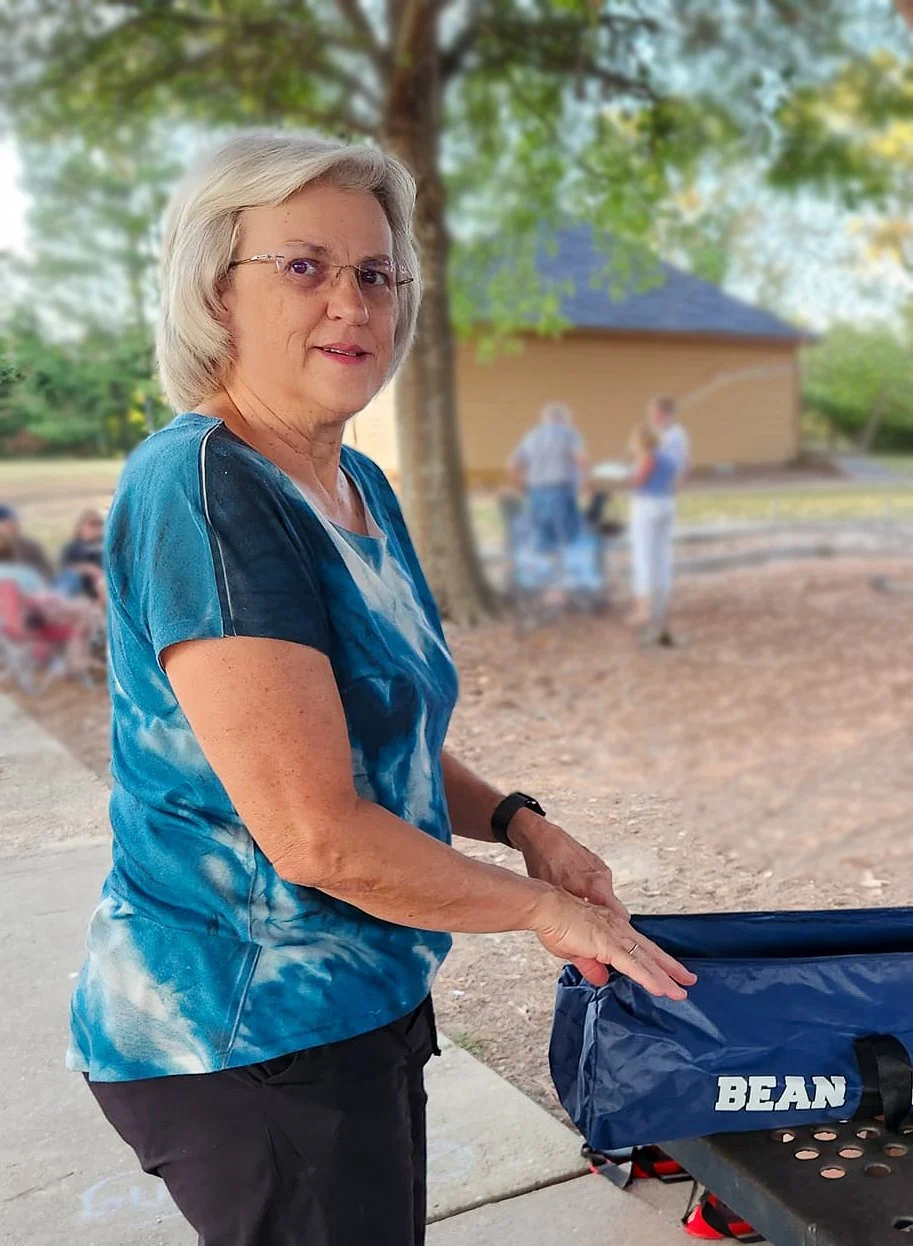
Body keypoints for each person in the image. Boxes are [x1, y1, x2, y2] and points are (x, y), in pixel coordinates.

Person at [67, 131, 695, 1246]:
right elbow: (318, 833)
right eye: (304, 267)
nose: (351, 303)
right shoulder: (204, 490)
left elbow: (378, 730)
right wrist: (542, 911)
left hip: (361, 995)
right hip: (246, 1032)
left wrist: (516, 824)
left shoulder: (350, 478)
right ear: (216, 289)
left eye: (377, 273)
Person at [0, 525, 99, 679]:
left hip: (7, 632)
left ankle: (77, 659)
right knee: (82, 614)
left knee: (78, 608)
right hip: (34, 627)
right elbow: (43, 599)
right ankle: (77, 662)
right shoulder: (23, 574)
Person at [509, 402, 588, 556]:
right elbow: (581, 458)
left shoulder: (531, 436)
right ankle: (570, 574)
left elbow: (513, 464)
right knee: (568, 538)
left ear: (544, 419)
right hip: (561, 490)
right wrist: (586, 480)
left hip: (536, 492)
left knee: (542, 537)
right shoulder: (569, 433)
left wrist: (520, 485)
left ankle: (548, 574)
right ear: (565, 419)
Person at [625, 421, 679, 643]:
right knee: (662, 555)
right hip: (666, 503)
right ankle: (660, 607)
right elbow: (674, 479)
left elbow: (639, 480)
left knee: (643, 556)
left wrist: (627, 476)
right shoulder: (668, 457)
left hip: (647, 505)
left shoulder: (647, 457)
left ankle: (642, 609)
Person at [56, 509, 106, 602]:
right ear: (81, 527)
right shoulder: (72, 548)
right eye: (92, 524)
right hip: (79, 588)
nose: (97, 528)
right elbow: (66, 569)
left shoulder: (106, 547)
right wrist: (89, 569)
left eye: (100, 524)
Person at [0, 504, 54, 580]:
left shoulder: (30, 545)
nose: (15, 526)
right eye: (8, 524)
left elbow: (47, 571)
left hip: (32, 586)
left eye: (15, 522)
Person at [648, 395, 690, 483]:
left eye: (653, 412)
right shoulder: (652, 431)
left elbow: (684, 458)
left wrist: (680, 477)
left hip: (667, 477)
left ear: (662, 413)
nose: (650, 416)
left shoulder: (677, 433)